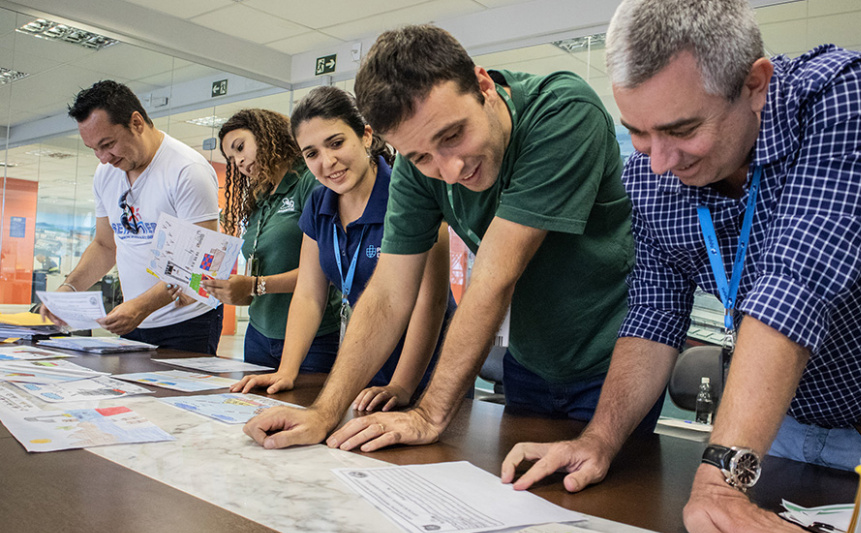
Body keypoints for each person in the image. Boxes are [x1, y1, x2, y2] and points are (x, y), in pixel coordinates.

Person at [500, 1, 861, 533]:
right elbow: (652, 312)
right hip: (775, 433)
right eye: (638, 133)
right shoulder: (649, 178)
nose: (659, 163)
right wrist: (598, 440)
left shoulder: (841, 95)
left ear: (755, 85)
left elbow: (795, 283)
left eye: (682, 129)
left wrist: (718, 482)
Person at [243, 25, 649, 450]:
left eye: (453, 135)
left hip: (612, 360)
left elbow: (494, 278)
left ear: (484, 86)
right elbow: (387, 293)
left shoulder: (561, 112)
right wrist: (324, 413)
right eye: (420, 156)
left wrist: (428, 413)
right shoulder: (416, 168)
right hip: (530, 365)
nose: (450, 171)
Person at [233, 87, 453, 412]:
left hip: (425, 365)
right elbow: (310, 294)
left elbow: (429, 301)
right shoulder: (319, 203)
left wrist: (403, 385)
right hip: (365, 358)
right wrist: (287, 371)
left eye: (336, 143)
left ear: (365, 136)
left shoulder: (407, 195)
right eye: (312, 154)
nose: (327, 161)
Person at [42, 80, 223, 354]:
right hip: (132, 320)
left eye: (108, 144)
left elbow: (202, 263)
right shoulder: (106, 174)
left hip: (186, 322)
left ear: (136, 122)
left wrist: (141, 306)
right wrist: (69, 288)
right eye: (94, 149)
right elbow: (105, 246)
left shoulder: (188, 170)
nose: (103, 158)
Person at [200, 109, 340, 372]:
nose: (239, 161)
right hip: (258, 335)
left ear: (266, 135)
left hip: (313, 337)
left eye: (241, 147)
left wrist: (256, 285)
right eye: (232, 158)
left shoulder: (309, 183)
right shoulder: (259, 197)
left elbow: (325, 269)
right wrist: (239, 291)